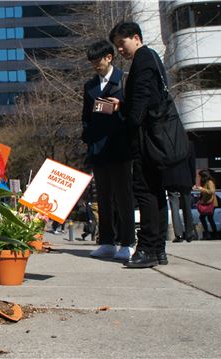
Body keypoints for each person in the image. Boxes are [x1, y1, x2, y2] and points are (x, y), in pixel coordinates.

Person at [108, 22, 169, 268]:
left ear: (135, 37)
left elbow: (141, 101)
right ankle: (159, 248)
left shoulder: (143, 59)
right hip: (155, 134)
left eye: (121, 44)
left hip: (145, 136)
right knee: (156, 191)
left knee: (144, 191)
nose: (120, 50)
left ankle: (147, 248)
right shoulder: (151, 58)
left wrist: (128, 118)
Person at [81, 39, 135, 261]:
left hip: (120, 147)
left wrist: (119, 108)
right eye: (92, 61)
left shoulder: (124, 79)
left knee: (124, 196)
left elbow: (133, 111)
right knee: (102, 197)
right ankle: (106, 241)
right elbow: (86, 116)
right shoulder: (89, 86)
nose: (95, 65)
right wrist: (88, 138)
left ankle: (128, 241)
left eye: (98, 60)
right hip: (98, 149)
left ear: (109, 57)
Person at [163, 144, 196, 243]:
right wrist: (193, 179)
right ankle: (189, 233)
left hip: (171, 179)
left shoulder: (168, 145)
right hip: (186, 179)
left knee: (174, 208)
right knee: (187, 207)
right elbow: (192, 164)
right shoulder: (189, 145)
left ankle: (179, 234)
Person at [194, 169, 218, 240]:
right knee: (206, 218)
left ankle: (212, 234)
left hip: (211, 203)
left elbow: (212, 191)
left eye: (201, 176)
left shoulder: (209, 182)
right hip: (206, 202)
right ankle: (210, 234)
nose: (200, 178)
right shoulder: (204, 182)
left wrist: (202, 189)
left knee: (208, 218)